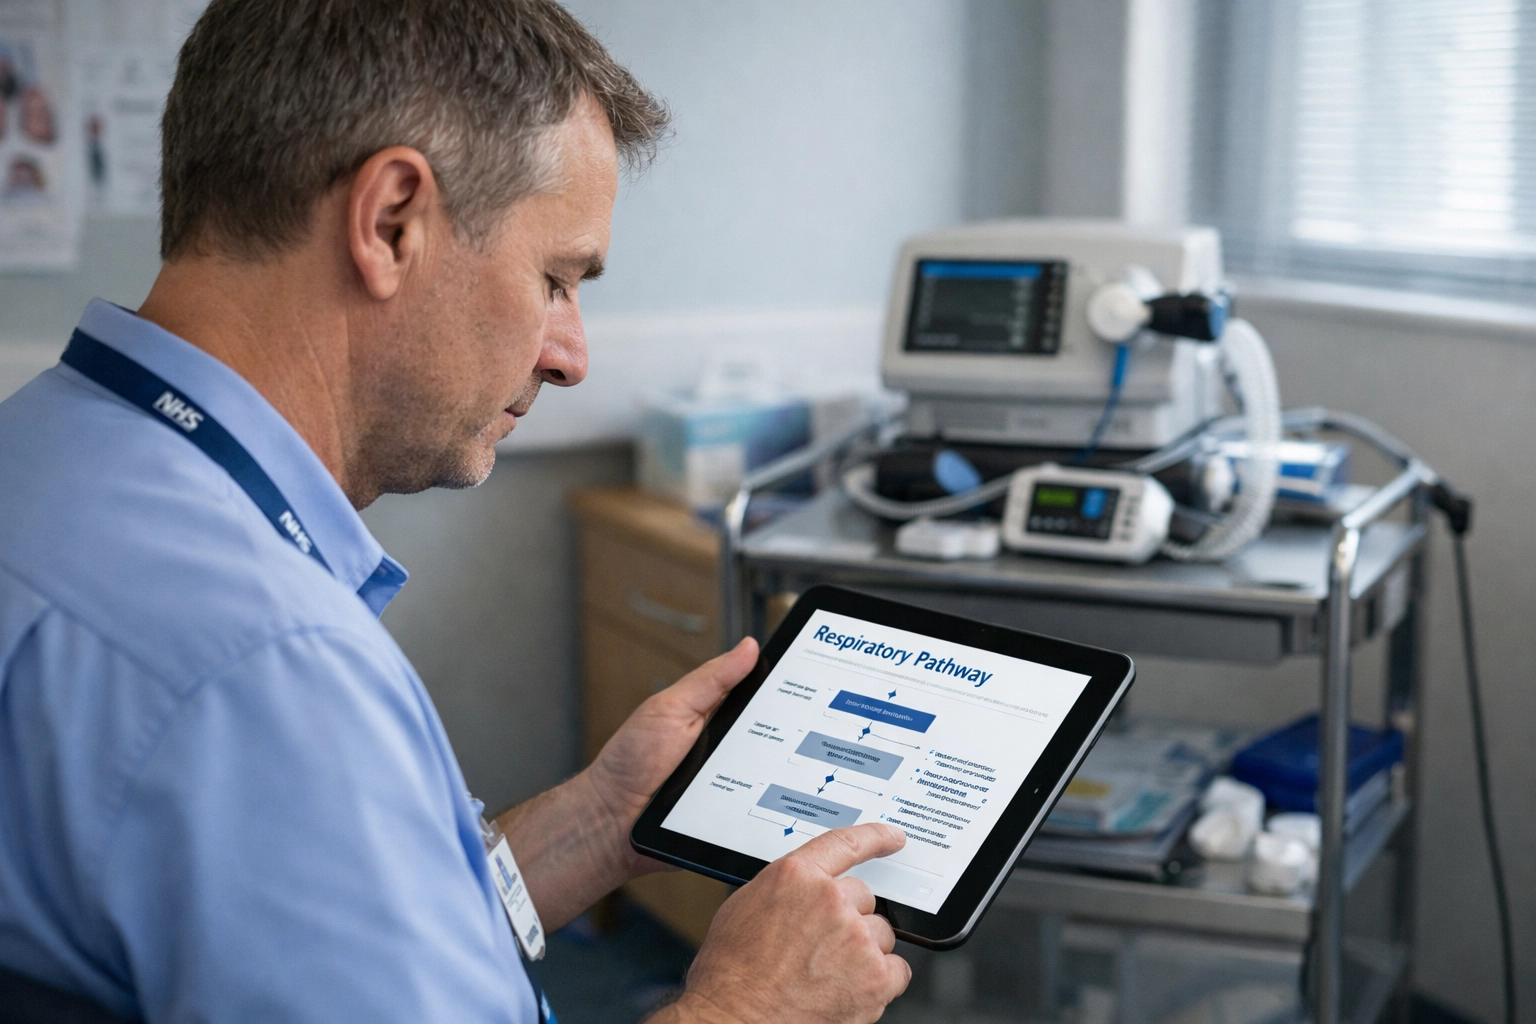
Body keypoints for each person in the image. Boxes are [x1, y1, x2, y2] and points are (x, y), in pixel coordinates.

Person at [0, 2, 911, 1023]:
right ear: (391, 221)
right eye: (556, 278)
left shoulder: (42, 452)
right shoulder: (269, 671)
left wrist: (600, 821)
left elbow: (306, 926)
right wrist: (751, 1004)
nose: (572, 355)